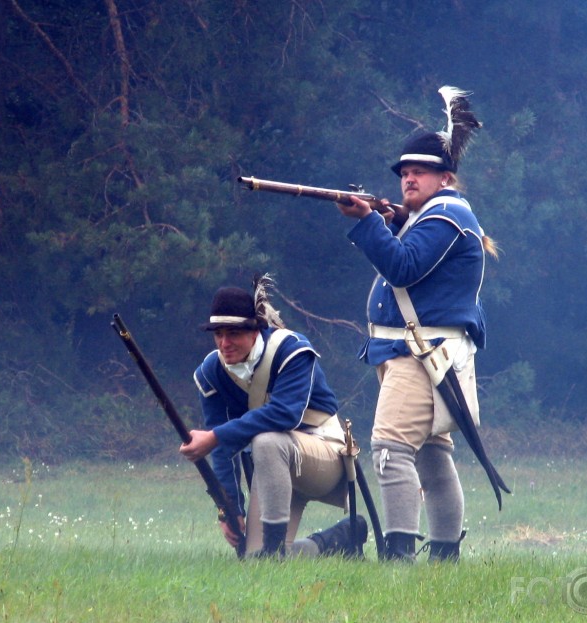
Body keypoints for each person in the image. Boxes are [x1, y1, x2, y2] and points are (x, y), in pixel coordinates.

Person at [336, 86, 497, 562]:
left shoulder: (445, 215)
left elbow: (403, 267)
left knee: (388, 450)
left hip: (418, 354)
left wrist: (369, 224)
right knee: (430, 456)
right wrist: (384, 221)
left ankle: (398, 557)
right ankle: (444, 556)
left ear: (445, 177)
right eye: (405, 172)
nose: (408, 179)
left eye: (419, 172)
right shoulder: (428, 216)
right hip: (418, 353)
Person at [179, 276, 367, 558]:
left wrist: (215, 437)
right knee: (253, 560)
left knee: (267, 441)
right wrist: (230, 508)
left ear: (255, 330)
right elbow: (222, 449)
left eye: (233, 334)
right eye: (218, 334)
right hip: (273, 469)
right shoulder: (211, 372)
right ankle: (335, 541)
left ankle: (274, 550)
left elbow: (284, 414)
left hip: (324, 453)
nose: (224, 343)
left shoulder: (292, 350)